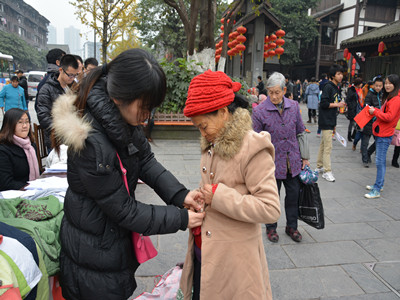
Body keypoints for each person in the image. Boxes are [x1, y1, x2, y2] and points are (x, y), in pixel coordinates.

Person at [50, 48, 205, 300]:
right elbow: (125, 210)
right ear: (119, 96)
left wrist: (180, 195)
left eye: (151, 108)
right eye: (144, 107)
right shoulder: (90, 141)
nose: (147, 116)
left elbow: (145, 160)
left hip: (108, 244)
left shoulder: (122, 120)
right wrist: (181, 219)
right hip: (91, 257)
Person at [180, 70, 280, 300]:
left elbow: (270, 208)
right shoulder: (213, 141)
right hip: (205, 250)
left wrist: (219, 196)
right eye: (198, 128)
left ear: (223, 112)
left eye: (204, 125)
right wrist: (199, 199)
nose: (202, 132)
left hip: (234, 261)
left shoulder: (252, 147)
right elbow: (213, 188)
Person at [252, 71, 309, 245]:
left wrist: (305, 157)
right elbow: (254, 139)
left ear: (284, 90)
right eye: (271, 92)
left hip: (292, 160)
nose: (274, 96)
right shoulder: (260, 111)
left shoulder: (293, 106)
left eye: (277, 92)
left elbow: (300, 131)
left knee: (293, 196)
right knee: (271, 197)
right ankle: (271, 227)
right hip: (271, 163)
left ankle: (292, 226)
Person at [365, 74, 400, 199]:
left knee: (380, 162)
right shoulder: (391, 97)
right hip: (382, 132)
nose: (387, 85)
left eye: (390, 83)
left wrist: (375, 112)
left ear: (395, 84)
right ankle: (379, 184)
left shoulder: (395, 99)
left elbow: (389, 117)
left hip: (385, 134)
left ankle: (377, 189)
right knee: (380, 161)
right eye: (386, 83)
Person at [35, 54, 79, 152]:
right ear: (61, 70)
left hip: (74, 138)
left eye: (75, 75)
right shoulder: (46, 89)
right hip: (56, 141)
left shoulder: (74, 88)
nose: (72, 78)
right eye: (70, 75)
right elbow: (43, 117)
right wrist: (64, 130)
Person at [315, 64, 346, 182]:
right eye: (338, 74)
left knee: (323, 145)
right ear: (333, 75)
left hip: (330, 119)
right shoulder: (329, 87)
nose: (341, 76)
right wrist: (338, 105)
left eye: (341, 74)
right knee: (328, 147)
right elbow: (323, 103)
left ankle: (319, 166)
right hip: (326, 119)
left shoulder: (335, 87)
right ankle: (327, 171)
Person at [0, 108, 40, 191]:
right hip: (13, 196)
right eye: (20, 122)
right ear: (10, 125)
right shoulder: (3, 150)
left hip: (32, 191)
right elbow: (5, 183)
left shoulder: (30, 146)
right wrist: (30, 187)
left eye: (27, 121)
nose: (25, 126)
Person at [362, 77, 383, 167]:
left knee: (378, 141)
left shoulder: (382, 95)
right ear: (373, 85)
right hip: (369, 121)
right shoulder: (370, 94)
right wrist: (373, 110)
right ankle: (365, 159)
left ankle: (368, 153)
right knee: (365, 141)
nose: (378, 87)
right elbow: (365, 107)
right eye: (376, 85)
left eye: (380, 86)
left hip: (378, 121)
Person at [346, 78, 364, 149]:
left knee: (358, 122)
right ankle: (349, 135)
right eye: (361, 83)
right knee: (352, 122)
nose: (362, 84)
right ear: (358, 84)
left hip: (359, 107)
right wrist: (351, 106)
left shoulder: (360, 90)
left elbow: (361, 99)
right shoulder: (352, 90)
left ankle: (354, 134)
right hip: (353, 108)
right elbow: (348, 99)